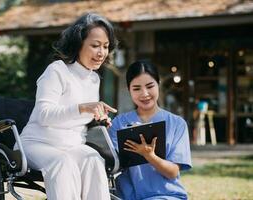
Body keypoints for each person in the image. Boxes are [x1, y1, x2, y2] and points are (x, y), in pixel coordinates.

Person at [17, 13, 118, 200]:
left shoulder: (94, 78)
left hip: (72, 145)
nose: (101, 52)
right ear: (78, 43)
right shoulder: (57, 70)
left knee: (94, 160)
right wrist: (82, 108)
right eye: (95, 45)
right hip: (38, 143)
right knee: (63, 162)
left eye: (105, 46)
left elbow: (77, 120)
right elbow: (43, 115)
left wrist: (98, 119)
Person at [108, 60, 192, 200]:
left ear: (158, 85)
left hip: (165, 196)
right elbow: (112, 165)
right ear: (129, 90)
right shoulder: (119, 123)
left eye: (150, 86)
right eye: (136, 88)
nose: (144, 94)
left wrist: (150, 156)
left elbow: (172, 172)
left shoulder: (177, 124)